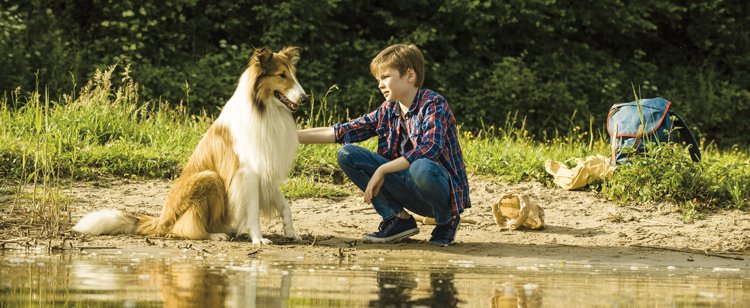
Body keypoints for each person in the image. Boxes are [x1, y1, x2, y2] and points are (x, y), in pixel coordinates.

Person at [298, 44, 470, 246]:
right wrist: (289, 136)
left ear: (409, 75)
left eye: (385, 77)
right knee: (347, 154)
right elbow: (342, 131)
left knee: (421, 165)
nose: (380, 84)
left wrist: (383, 169)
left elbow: (429, 148)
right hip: (409, 190)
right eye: (378, 79)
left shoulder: (433, 103)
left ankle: (446, 221)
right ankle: (397, 219)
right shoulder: (388, 109)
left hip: (440, 193)